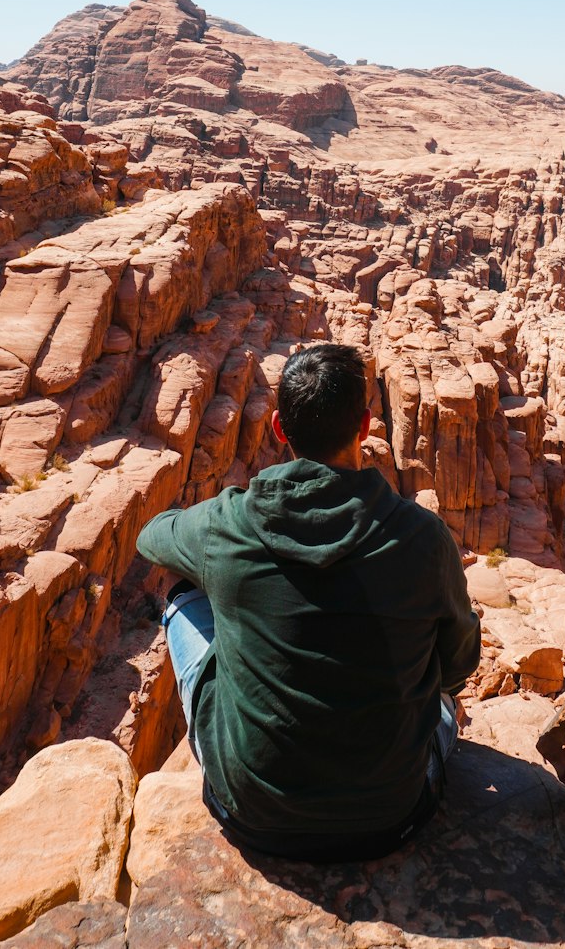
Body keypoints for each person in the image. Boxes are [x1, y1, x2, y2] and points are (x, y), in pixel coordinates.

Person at [136, 341, 481, 861]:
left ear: (279, 428)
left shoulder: (228, 525)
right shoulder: (424, 538)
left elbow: (150, 538)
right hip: (393, 815)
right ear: (364, 425)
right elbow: (459, 663)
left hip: (252, 811)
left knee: (183, 595)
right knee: (441, 707)